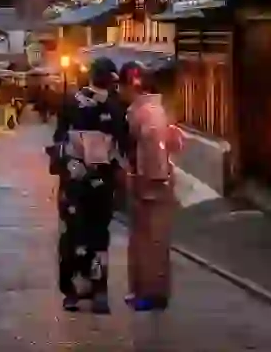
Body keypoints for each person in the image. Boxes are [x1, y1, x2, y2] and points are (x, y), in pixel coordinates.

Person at [50, 56, 130, 314]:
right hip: (94, 181)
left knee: (79, 236)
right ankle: (94, 290)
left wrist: (69, 164)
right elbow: (123, 147)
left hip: (79, 180)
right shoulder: (112, 107)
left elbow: (59, 140)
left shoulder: (76, 103)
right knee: (94, 237)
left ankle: (77, 291)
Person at [118, 60, 185, 312]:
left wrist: (151, 179)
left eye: (122, 87)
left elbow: (156, 149)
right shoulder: (146, 110)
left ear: (131, 86)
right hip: (145, 182)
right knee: (146, 240)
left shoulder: (149, 113)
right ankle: (144, 291)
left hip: (152, 187)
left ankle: (151, 294)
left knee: (152, 241)